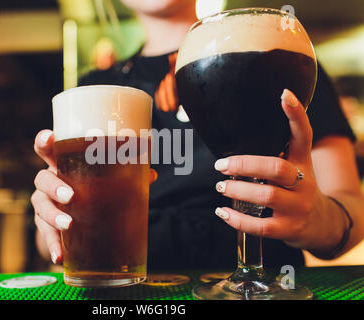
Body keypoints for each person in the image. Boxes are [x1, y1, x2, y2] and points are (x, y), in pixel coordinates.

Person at [31, 0, 363, 270]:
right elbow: (50, 240)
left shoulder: (282, 58)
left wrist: (319, 219)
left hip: (267, 286)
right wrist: (56, 220)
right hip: (130, 292)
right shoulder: (92, 91)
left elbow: (351, 210)